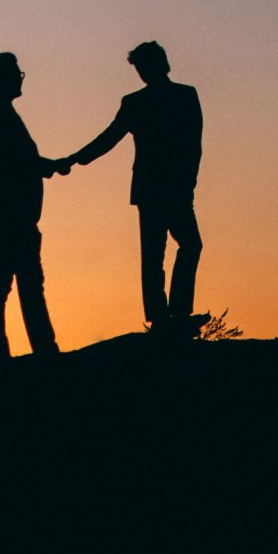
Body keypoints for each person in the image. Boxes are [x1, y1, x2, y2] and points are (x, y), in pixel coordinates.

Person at [65, 40, 204, 336]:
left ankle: (170, 314)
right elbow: (110, 137)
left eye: (143, 67)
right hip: (161, 188)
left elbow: (193, 144)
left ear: (158, 65)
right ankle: (167, 316)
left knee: (177, 248)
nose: (141, 73)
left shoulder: (178, 97)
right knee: (165, 250)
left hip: (165, 187)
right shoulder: (154, 100)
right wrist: (77, 158)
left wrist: (188, 181)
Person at [0, 51, 68, 366]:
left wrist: (48, 166)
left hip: (10, 213)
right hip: (9, 214)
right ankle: (30, 351)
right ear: (2, 78)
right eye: (16, 73)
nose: (20, 78)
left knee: (14, 281)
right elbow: (15, 162)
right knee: (11, 282)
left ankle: (28, 350)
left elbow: (18, 161)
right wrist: (49, 165)